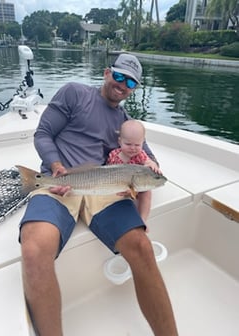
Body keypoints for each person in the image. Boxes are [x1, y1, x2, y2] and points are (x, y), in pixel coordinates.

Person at [19, 53, 178, 336]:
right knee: (33, 248)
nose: (122, 84)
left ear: (134, 88)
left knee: (142, 247)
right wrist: (56, 166)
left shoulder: (126, 124)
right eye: (118, 76)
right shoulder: (74, 93)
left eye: (130, 82)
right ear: (107, 73)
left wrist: (151, 164)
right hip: (59, 184)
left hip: (100, 188)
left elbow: (147, 157)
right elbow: (42, 133)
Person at [107, 119, 162, 224]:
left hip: (137, 187)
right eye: (128, 144)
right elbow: (110, 175)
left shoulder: (141, 154)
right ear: (120, 142)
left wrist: (152, 164)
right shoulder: (114, 155)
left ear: (142, 143)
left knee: (147, 192)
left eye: (137, 145)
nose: (133, 148)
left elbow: (148, 162)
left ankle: (143, 218)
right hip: (120, 187)